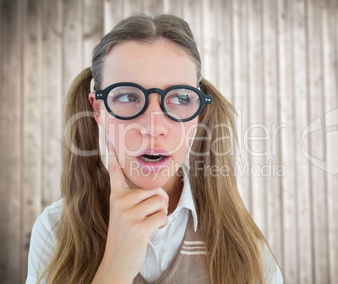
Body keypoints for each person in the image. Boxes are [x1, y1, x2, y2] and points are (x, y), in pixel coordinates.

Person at [26, 14, 283, 284]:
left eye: (180, 98)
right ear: (97, 108)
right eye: (127, 96)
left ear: (199, 112)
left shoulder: (247, 249)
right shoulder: (55, 231)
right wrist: (114, 268)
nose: (153, 126)